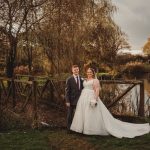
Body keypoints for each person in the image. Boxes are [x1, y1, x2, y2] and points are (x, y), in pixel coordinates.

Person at [70, 67, 150, 138]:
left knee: (91, 113)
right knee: (84, 113)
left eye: (90, 72)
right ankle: (83, 129)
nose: (89, 73)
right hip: (83, 98)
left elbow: (97, 90)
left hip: (91, 97)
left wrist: (95, 99)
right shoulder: (85, 79)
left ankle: (92, 130)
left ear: (93, 73)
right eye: (88, 72)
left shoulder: (95, 80)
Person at [65, 65, 83, 130]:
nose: (76, 71)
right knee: (70, 115)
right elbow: (67, 91)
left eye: (77, 69)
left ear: (79, 70)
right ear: (72, 70)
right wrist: (67, 101)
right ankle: (69, 129)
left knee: (79, 115)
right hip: (71, 100)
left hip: (80, 100)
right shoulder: (69, 79)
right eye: (75, 70)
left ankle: (77, 128)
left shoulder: (81, 78)